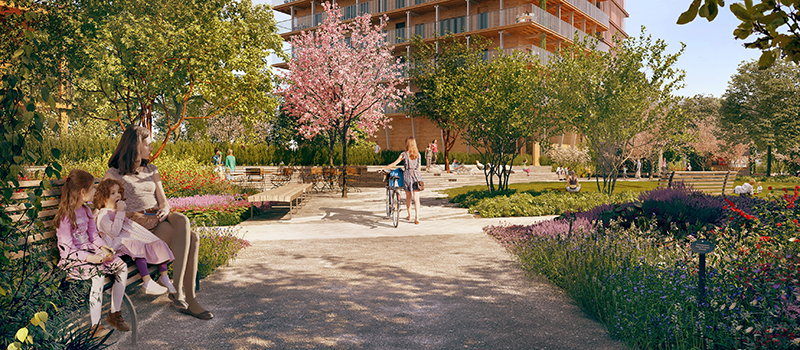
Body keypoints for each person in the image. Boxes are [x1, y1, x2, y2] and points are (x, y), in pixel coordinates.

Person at [105, 126, 212, 320]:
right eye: (147, 144)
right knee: (193, 239)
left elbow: (162, 200)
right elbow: (108, 209)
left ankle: (179, 291)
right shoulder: (113, 174)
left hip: (157, 217)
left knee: (183, 220)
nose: (150, 147)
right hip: (137, 225)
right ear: (135, 146)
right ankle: (187, 298)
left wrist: (165, 209)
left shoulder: (152, 170)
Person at [55, 169, 129, 338]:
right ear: (82, 192)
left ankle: (115, 313)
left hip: (90, 251)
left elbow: (94, 236)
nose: (95, 191)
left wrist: (104, 248)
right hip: (74, 258)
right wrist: (91, 258)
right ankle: (96, 326)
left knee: (121, 266)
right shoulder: (65, 217)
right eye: (93, 188)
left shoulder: (87, 211)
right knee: (98, 274)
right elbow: (67, 249)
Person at [93, 178, 176, 295]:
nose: (117, 195)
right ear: (103, 197)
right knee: (137, 246)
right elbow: (114, 232)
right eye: (113, 193)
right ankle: (147, 282)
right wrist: (120, 212)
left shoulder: (116, 210)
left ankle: (164, 276)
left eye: (118, 192)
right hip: (115, 241)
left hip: (126, 236)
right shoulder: (103, 215)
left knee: (155, 241)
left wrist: (120, 212)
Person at [383, 137, 423, 224]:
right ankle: (417, 218)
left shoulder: (404, 154)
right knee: (417, 198)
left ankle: (409, 215)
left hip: (407, 176)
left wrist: (383, 168)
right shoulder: (418, 154)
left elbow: (394, 163)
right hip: (417, 176)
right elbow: (419, 167)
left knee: (408, 197)